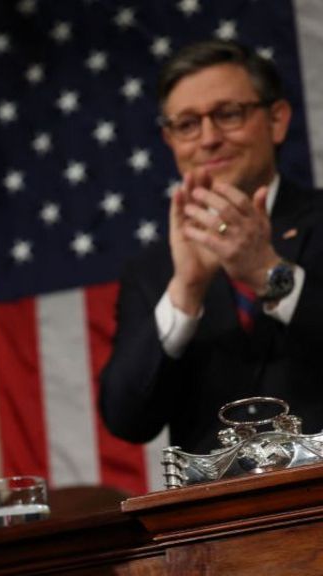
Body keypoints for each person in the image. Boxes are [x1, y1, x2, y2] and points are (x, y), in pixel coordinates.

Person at [100, 39, 323, 455]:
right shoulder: (153, 271)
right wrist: (185, 291)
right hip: (217, 496)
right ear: (170, 139)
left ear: (276, 120)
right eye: (187, 124)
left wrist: (268, 274)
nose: (208, 139)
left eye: (228, 114)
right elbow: (126, 419)